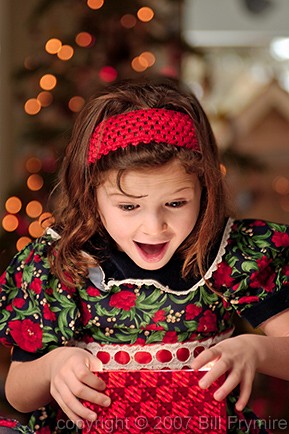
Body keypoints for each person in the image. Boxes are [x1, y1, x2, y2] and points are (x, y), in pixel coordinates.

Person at [0, 77, 289, 434]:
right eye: (128, 206)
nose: (154, 227)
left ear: (205, 188)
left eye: (176, 203)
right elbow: (18, 393)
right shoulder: (63, 262)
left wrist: (256, 351)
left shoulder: (232, 255)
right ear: (92, 194)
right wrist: (53, 365)